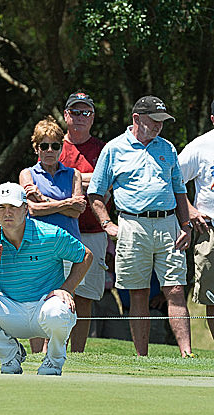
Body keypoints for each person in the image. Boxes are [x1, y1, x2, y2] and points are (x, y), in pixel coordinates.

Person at [88, 95, 194, 358]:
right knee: (139, 293)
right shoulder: (113, 149)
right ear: (136, 118)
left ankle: (187, 353)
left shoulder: (167, 148)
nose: (159, 126)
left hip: (169, 223)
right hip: (132, 224)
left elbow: (179, 191)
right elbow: (96, 194)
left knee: (176, 288)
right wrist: (107, 224)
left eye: (162, 121)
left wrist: (186, 225)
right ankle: (141, 357)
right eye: (154, 120)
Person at [0, 183, 92, 375]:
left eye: (13, 207)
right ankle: (11, 355)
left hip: (45, 306)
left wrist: (66, 289)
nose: (7, 213)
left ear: (25, 209)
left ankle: (53, 361)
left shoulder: (50, 234)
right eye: (1, 208)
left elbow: (85, 256)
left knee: (59, 311)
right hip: (11, 310)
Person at [19, 117, 85, 353]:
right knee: (37, 299)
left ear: (61, 148)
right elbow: (33, 209)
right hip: (37, 244)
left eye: (55, 145)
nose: (49, 151)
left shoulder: (74, 174)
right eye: (43, 146)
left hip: (68, 244)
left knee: (65, 300)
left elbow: (77, 212)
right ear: (36, 148)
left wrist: (47, 201)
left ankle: (55, 351)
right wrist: (66, 203)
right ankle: (38, 353)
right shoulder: (27, 174)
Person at [59, 91, 108, 352]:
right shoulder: (53, 145)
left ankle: (77, 353)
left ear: (92, 117)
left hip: (93, 231)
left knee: (86, 296)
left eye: (85, 112)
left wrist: (72, 178)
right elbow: (44, 180)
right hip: (59, 231)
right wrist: (88, 179)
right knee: (58, 293)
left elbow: (106, 185)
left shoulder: (102, 149)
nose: (80, 117)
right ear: (66, 115)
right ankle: (54, 349)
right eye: (75, 112)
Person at [179, 98, 214, 340]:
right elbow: (173, 181)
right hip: (210, 231)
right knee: (213, 298)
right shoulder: (200, 147)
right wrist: (190, 211)